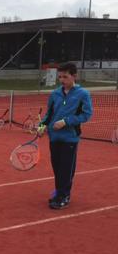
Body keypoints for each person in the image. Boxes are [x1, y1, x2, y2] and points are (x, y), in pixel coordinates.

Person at [38, 63, 93, 210]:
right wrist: (42, 126)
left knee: (66, 169)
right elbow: (49, 114)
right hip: (54, 137)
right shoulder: (55, 94)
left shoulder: (83, 94)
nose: (62, 80)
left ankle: (63, 196)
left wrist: (66, 121)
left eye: (65, 77)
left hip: (70, 138)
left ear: (74, 76)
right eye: (60, 77)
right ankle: (60, 193)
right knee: (57, 168)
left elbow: (86, 114)